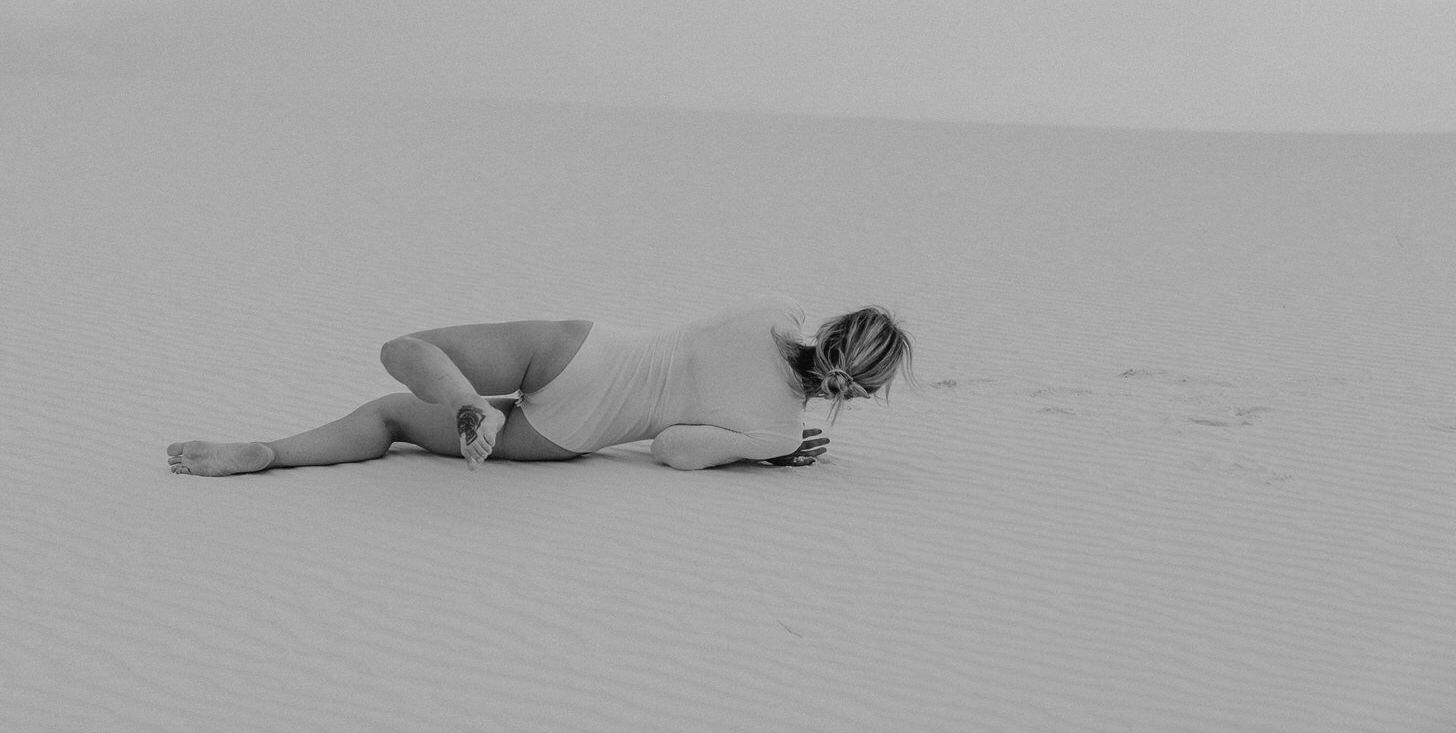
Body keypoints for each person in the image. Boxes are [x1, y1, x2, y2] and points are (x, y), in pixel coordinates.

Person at [167, 295, 912, 475]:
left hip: (581, 350)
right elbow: (674, 449)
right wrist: (765, 453)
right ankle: (270, 453)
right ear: (862, 391)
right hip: (583, 427)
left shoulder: (772, 310)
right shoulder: (781, 430)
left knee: (406, 348)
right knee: (392, 420)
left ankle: (465, 402)